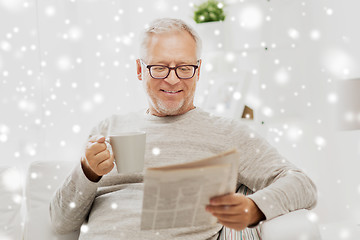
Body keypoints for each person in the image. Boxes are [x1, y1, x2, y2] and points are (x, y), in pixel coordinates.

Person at [50, 18, 317, 240]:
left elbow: (302, 184)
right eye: (159, 68)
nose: (173, 79)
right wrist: (87, 171)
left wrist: (256, 208)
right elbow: (61, 224)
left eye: (184, 68)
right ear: (139, 70)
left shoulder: (227, 133)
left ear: (199, 70)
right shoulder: (108, 128)